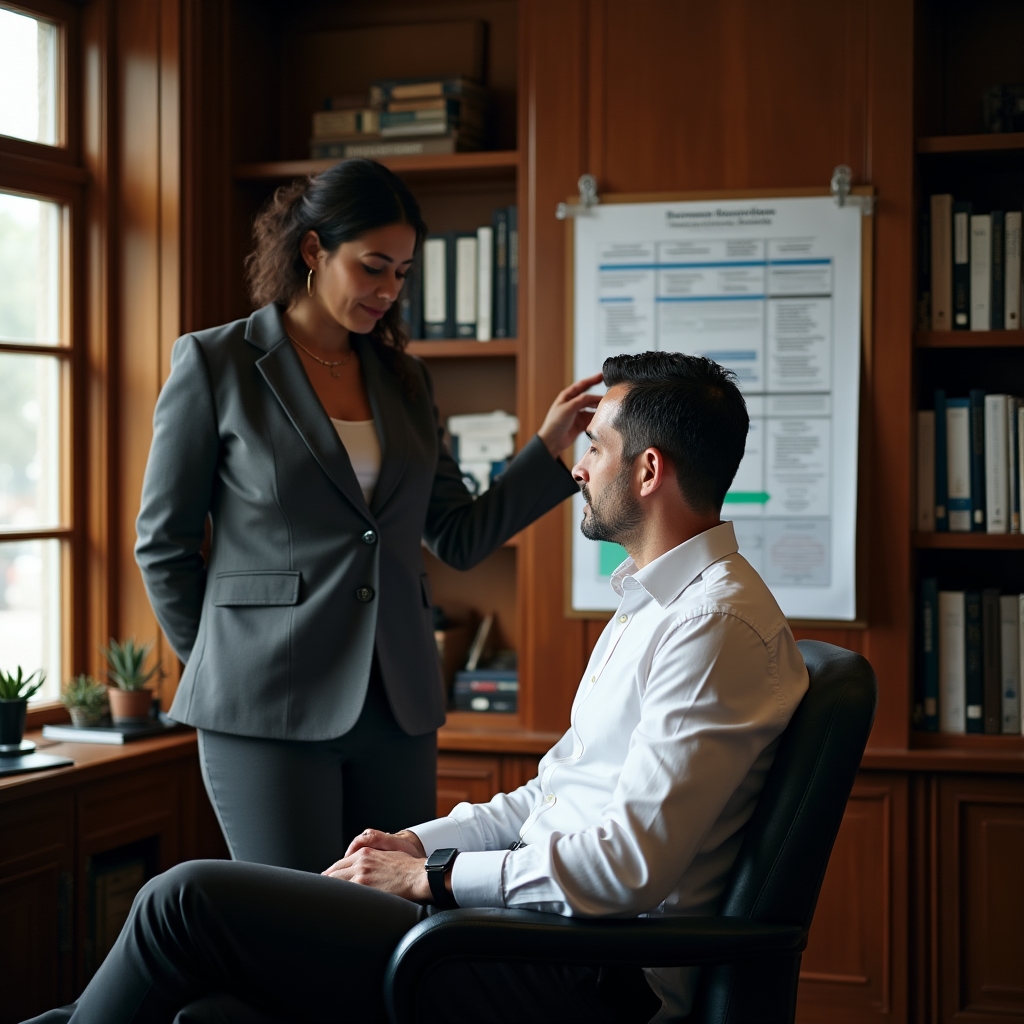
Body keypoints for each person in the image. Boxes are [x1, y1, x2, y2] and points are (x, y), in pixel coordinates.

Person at [31, 352, 808, 1024]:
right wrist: (416, 844)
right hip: (529, 937)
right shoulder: (652, 604)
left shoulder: (713, 627)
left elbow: (628, 868)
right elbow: (548, 796)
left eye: (594, 447)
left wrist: (430, 880)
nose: (576, 466)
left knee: (184, 900)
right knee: (210, 1012)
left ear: (647, 470)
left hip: (589, 974)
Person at [133, 158, 597, 871]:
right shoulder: (216, 363)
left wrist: (544, 449)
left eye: (402, 274)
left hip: (397, 703)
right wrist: (223, 665)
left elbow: (457, 535)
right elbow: (162, 546)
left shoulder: (405, 379)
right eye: (373, 267)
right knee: (293, 923)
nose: (388, 291)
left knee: (387, 918)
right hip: (264, 705)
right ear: (314, 250)